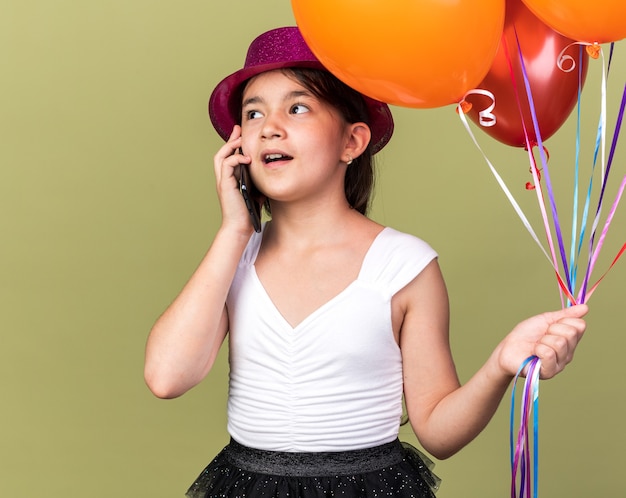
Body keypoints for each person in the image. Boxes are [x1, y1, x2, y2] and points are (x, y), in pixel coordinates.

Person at [144, 26, 588, 498]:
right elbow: (166, 377)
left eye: (297, 107)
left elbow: (438, 432)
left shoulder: (404, 265)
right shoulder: (233, 256)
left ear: (352, 142)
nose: (269, 125)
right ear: (239, 148)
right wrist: (234, 229)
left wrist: (500, 364)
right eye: (253, 113)